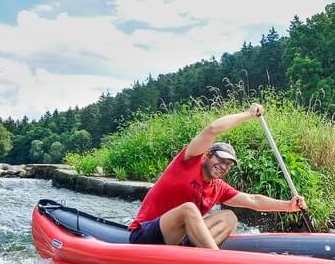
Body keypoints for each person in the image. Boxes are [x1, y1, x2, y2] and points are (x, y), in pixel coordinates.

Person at [127, 103, 306, 248]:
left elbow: (253, 200)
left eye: (229, 165)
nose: (224, 167)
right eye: (221, 160)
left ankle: (196, 255)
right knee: (189, 209)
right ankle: (215, 260)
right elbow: (213, 129)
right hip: (145, 234)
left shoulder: (217, 187)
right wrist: (248, 114)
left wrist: (288, 206)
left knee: (229, 217)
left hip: (177, 242)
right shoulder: (189, 161)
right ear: (207, 156)